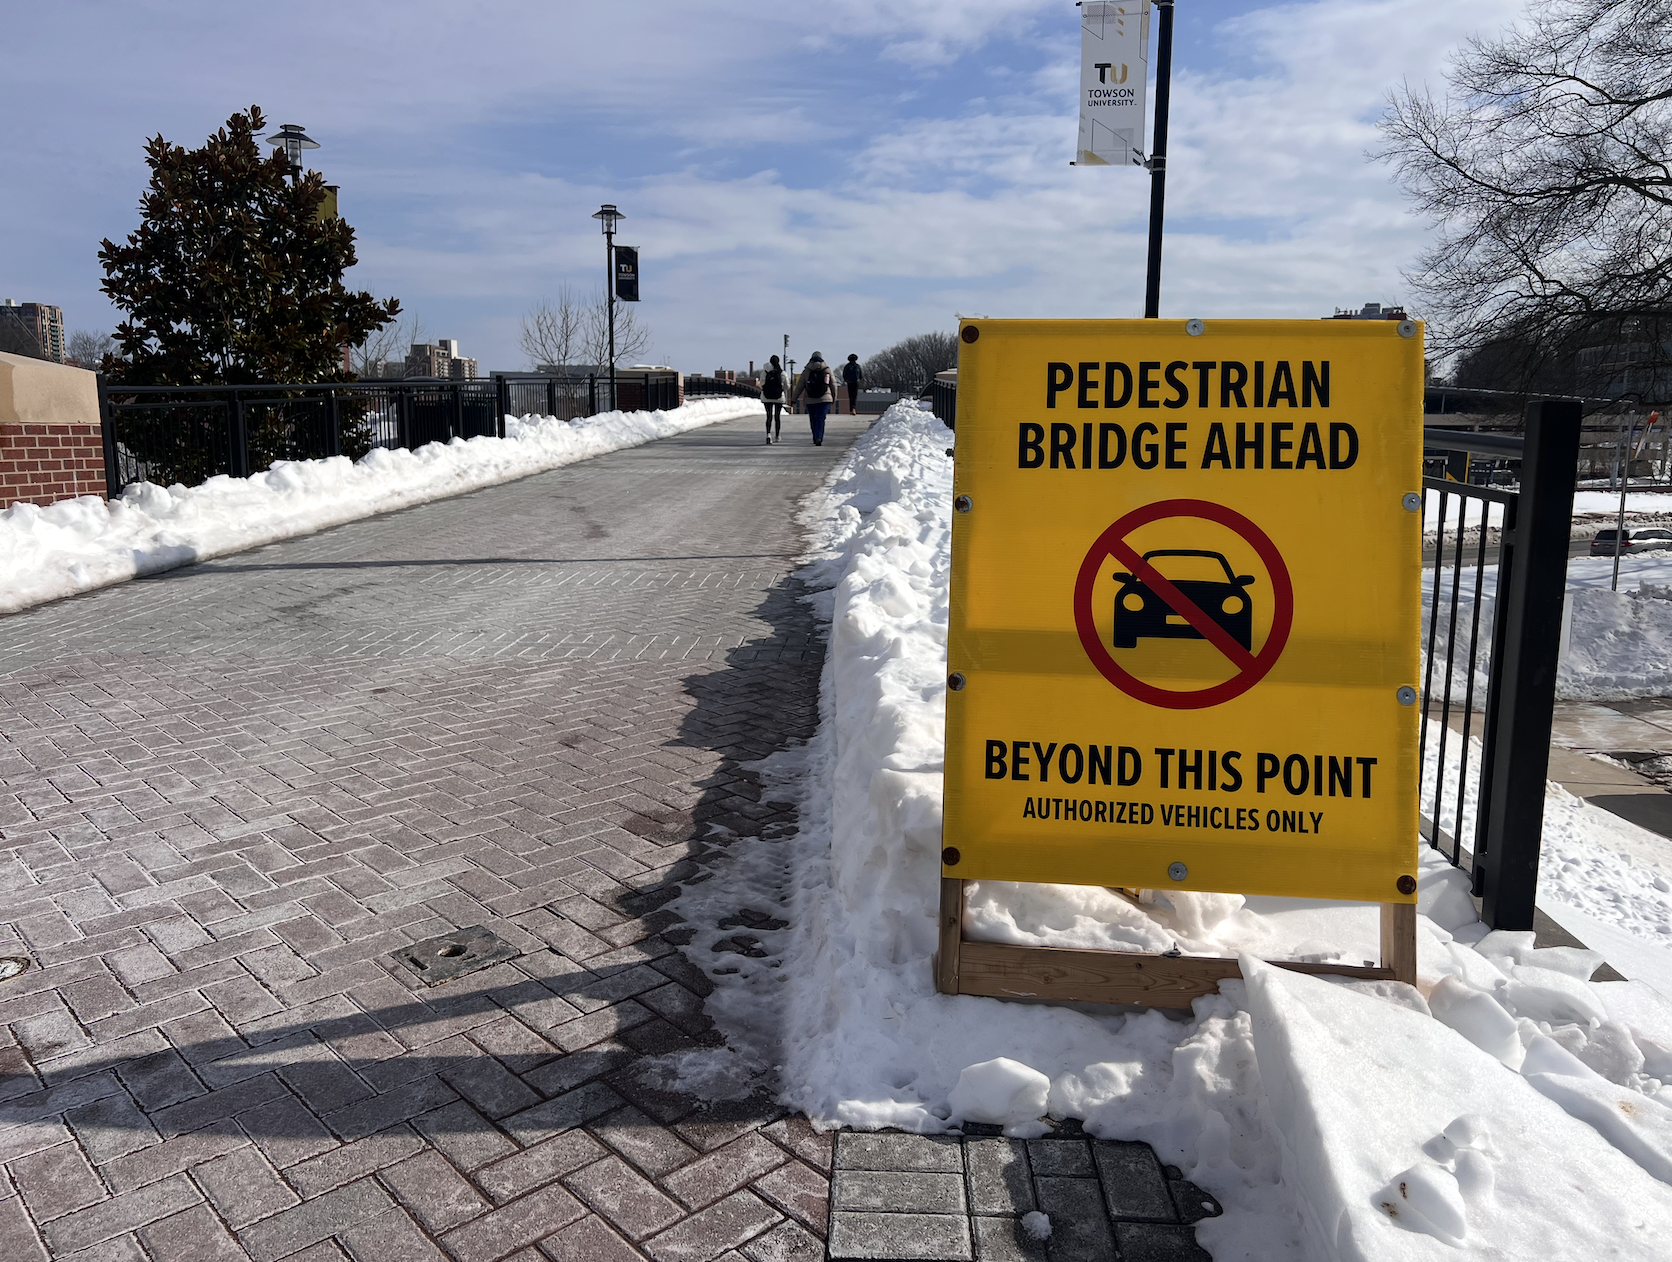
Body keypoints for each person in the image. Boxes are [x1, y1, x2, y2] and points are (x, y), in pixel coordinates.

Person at [791, 351, 837, 446]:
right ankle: (819, 436)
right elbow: (833, 385)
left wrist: (794, 399)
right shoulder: (827, 369)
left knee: (813, 418)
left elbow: (800, 386)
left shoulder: (807, 370)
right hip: (824, 398)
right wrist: (834, 397)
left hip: (810, 398)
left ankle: (815, 436)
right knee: (821, 418)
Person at [760, 355, 786, 443]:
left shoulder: (765, 372)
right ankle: (777, 436)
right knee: (777, 417)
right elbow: (787, 385)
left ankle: (768, 434)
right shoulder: (781, 372)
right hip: (778, 397)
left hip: (767, 397)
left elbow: (761, 384)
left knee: (769, 416)